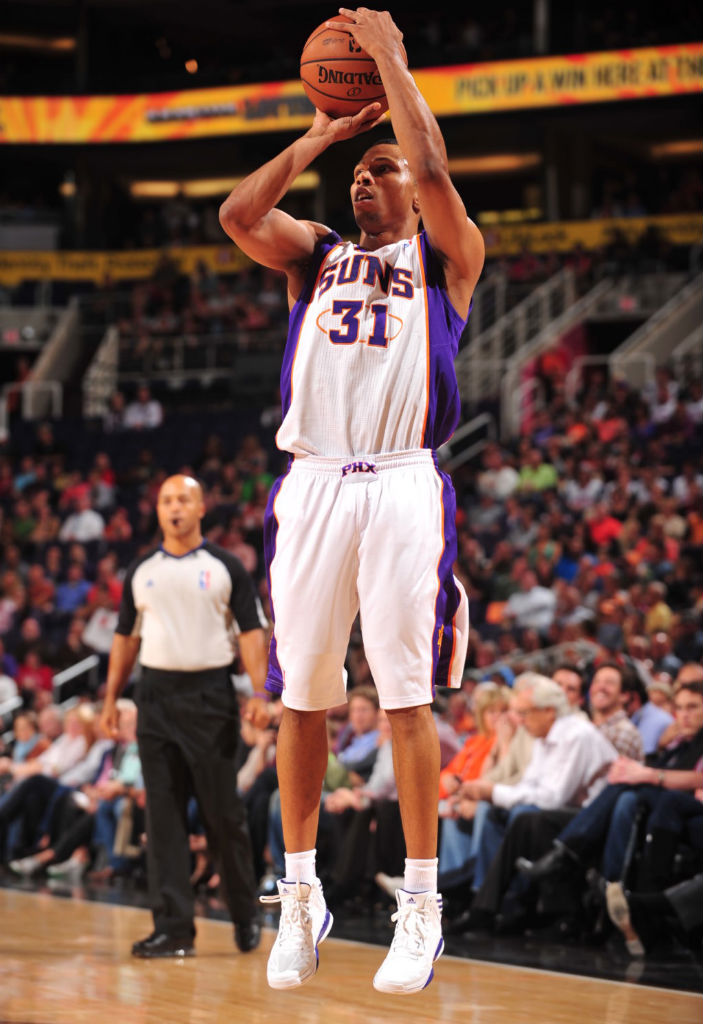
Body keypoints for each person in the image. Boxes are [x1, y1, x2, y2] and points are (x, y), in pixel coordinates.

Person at [219, 7, 484, 996]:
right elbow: (239, 216)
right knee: (301, 700)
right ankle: (300, 894)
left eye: (382, 169)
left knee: (407, 699)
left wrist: (390, 60)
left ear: (415, 191)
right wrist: (318, 137)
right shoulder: (316, 253)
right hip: (315, 478)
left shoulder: (446, 257)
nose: (366, 179)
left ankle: (420, 905)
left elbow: (436, 166)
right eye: (358, 173)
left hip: (403, 479)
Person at [98, 474, 269, 959]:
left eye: (184, 499)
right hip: (154, 696)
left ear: (200, 508)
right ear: (158, 510)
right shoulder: (141, 569)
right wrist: (112, 698)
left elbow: (252, 632)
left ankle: (244, 912)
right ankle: (173, 928)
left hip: (209, 696)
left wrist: (260, 690)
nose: (174, 507)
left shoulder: (225, 566)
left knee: (223, 815)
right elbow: (126, 638)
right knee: (163, 816)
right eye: (166, 500)